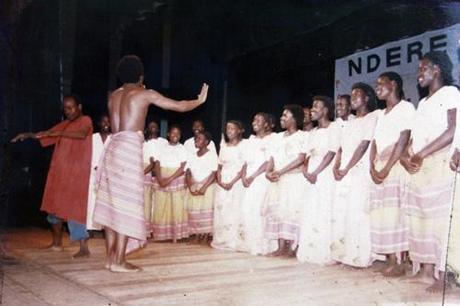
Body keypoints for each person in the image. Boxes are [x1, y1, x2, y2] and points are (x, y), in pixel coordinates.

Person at [93, 54, 208, 272]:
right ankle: (118, 260)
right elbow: (179, 106)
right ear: (141, 76)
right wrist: (199, 101)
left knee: (111, 204)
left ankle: (110, 258)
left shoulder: (113, 96)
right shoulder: (144, 93)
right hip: (127, 150)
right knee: (127, 204)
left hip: (112, 149)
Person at [400, 51, 459, 292]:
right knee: (422, 219)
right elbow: (412, 138)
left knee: (442, 222)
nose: (418, 74)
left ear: (437, 70)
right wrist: (406, 158)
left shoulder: (451, 93)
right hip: (420, 167)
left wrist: (421, 154)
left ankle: (446, 276)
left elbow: (451, 130)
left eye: (423, 68)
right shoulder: (422, 103)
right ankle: (426, 270)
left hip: (439, 164)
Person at [11, 95, 93, 258]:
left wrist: (58, 132)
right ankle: (57, 244)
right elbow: (47, 134)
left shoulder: (85, 120)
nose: (68, 111)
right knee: (53, 207)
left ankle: (84, 248)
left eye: (71, 107)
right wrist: (28, 135)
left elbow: (82, 134)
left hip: (76, 175)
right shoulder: (65, 124)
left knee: (75, 210)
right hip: (59, 175)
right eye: (65, 108)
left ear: (80, 107)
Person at [369, 72, 415, 277]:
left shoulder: (405, 107)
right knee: (383, 216)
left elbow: (403, 140)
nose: (377, 87)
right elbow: (374, 143)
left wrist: (387, 168)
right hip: (379, 167)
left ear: (394, 84)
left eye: (381, 84)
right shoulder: (380, 114)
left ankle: (400, 263)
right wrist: (372, 167)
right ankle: (390, 260)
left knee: (396, 213)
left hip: (394, 166)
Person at [331, 83, 378, 268]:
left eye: (357, 94)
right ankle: (346, 254)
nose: (353, 98)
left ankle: (360, 257)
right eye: (351, 95)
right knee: (343, 212)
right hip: (344, 172)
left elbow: (364, 145)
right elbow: (341, 148)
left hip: (358, 171)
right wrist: (337, 165)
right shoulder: (349, 121)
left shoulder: (372, 117)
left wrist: (347, 168)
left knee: (358, 213)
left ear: (366, 98)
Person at [297, 96, 339, 264]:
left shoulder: (334, 128)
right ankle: (310, 250)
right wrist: (306, 171)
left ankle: (323, 252)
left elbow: (331, 153)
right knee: (311, 210)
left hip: (324, 174)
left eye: (316, 107)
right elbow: (307, 155)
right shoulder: (312, 133)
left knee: (324, 210)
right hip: (311, 175)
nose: (312, 110)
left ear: (326, 110)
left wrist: (316, 172)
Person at [265, 104, 306, 257]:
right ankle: (281, 247)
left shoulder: (303, 136)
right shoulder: (277, 138)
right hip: (278, 180)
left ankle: (292, 248)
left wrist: (280, 171)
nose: (282, 118)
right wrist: (268, 172)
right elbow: (272, 157)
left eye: (285, 116)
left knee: (292, 212)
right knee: (279, 212)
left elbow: (300, 158)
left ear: (294, 119)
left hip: (294, 180)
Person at [240, 113, 277, 255]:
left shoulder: (273, 139)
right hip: (249, 180)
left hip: (261, 179)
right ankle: (250, 244)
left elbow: (269, 161)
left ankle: (263, 246)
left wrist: (253, 176)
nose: (254, 122)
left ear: (267, 124)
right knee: (248, 210)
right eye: (254, 119)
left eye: (258, 120)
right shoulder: (251, 140)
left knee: (260, 211)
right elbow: (245, 162)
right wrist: (244, 176)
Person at [211, 120, 245, 251]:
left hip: (235, 182)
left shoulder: (243, 146)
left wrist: (232, 182)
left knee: (233, 210)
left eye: (232, 128)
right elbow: (219, 166)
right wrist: (219, 179)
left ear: (239, 130)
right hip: (222, 181)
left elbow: (244, 167)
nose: (229, 131)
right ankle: (221, 240)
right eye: (227, 129)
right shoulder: (224, 146)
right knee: (222, 211)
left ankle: (232, 241)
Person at [152, 125, 188, 243]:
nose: (175, 136)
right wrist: (160, 178)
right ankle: (162, 235)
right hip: (162, 176)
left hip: (175, 177)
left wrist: (170, 179)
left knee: (176, 207)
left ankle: (176, 235)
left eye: (178, 134)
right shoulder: (161, 148)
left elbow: (183, 167)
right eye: (173, 133)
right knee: (162, 206)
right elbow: (156, 163)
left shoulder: (182, 148)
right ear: (168, 134)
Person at [185, 131, 218, 244]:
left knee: (205, 212)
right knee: (194, 212)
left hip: (207, 187)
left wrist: (204, 187)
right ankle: (197, 234)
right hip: (194, 186)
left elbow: (214, 173)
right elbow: (188, 171)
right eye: (195, 139)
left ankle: (205, 235)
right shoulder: (193, 155)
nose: (196, 140)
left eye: (199, 139)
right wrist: (190, 185)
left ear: (206, 142)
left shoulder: (212, 155)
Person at [87, 115, 111, 232]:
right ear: (99, 123)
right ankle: (91, 228)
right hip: (93, 174)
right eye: (103, 121)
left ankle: (105, 229)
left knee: (107, 202)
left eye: (108, 121)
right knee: (92, 200)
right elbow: (87, 156)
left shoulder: (113, 139)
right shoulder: (93, 138)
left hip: (109, 176)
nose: (106, 123)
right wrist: (95, 167)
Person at [143, 120, 168, 234]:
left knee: (158, 203)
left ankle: (156, 229)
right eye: (150, 127)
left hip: (160, 175)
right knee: (147, 203)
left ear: (158, 129)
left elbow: (162, 159)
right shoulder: (144, 143)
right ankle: (146, 229)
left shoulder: (163, 142)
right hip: (147, 175)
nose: (153, 128)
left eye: (155, 127)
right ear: (147, 129)